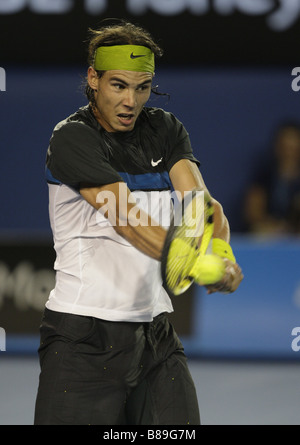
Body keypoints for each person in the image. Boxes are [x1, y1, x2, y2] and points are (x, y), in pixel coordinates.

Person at [34, 21, 243, 425]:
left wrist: (221, 253)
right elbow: (128, 220)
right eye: (118, 85)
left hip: (156, 339)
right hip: (81, 341)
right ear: (93, 79)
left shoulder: (165, 129)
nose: (131, 101)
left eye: (142, 87)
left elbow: (202, 206)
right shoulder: (72, 138)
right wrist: (192, 263)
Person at [243, 122, 300, 234]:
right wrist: (275, 226)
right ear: (277, 147)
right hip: (271, 232)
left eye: (293, 148)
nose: (288, 153)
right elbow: (253, 212)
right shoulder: (264, 178)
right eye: (285, 147)